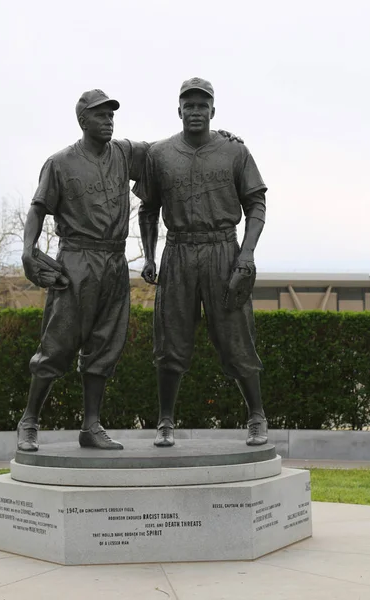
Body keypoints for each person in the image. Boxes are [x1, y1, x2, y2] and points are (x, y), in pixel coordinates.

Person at [133, 77, 268, 448]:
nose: (195, 111)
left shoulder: (234, 151)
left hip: (223, 250)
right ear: (178, 110)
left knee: (236, 337)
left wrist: (247, 255)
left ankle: (256, 417)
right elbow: (148, 209)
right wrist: (147, 255)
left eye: (202, 105)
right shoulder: (159, 154)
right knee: (169, 340)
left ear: (213, 110)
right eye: (188, 105)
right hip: (177, 252)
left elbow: (256, 204)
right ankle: (164, 421)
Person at [17, 89, 148, 451]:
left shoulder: (123, 153)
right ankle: (29, 420)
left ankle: (91, 425)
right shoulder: (60, 163)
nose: (108, 121)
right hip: (77, 260)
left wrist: (218, 138)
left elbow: (165, 152)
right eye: (100, 116)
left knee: (105, 344)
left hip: (115, 261)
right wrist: (28, 250)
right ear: (83, 120)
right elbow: (37, 208)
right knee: (57, 344)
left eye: (111, 116)